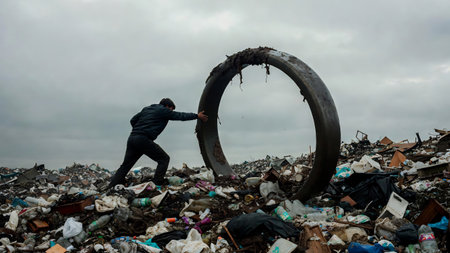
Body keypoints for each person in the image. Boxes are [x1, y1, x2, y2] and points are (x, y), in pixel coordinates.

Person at [109, 98, 208, 187]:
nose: (171, 111)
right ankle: (157, 184)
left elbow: (133, 120)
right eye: (171, 109)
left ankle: (111, 186)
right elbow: (179, 116)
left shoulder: (146, 109)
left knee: (126, 165)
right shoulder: (163, 110)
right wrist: (197, 116)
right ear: (167, 106)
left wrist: (139, 129)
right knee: (164, 159)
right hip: (143, 139)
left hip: (132, 138)